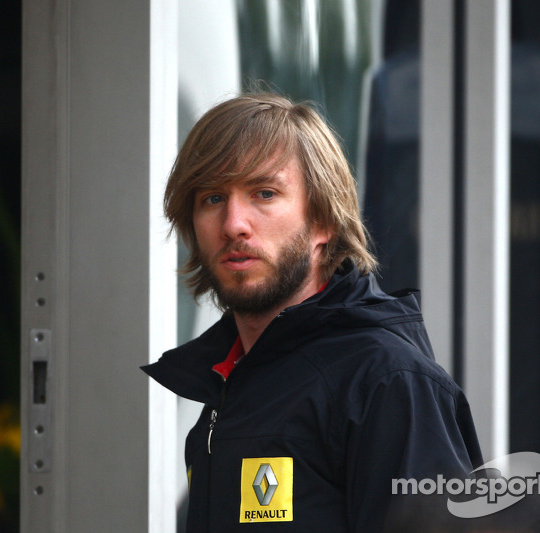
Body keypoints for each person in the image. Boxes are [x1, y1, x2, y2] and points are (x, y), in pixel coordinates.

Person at [142, 92, 482, 532]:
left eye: (264, 193)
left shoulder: (388, 383)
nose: (233, 224)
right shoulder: (227, 384)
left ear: (323, 221)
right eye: (212, 199)